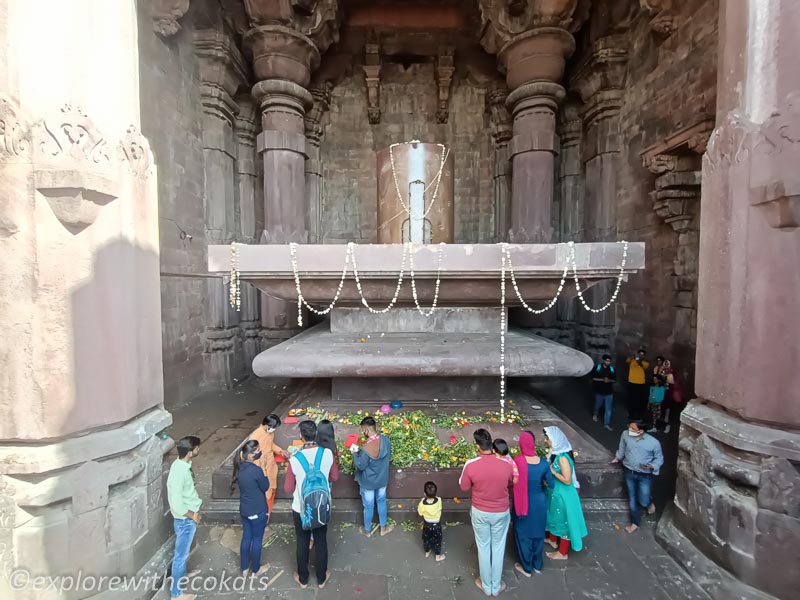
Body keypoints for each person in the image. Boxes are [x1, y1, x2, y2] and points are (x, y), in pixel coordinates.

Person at [459, 428, 514, 597]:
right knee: (498, 547)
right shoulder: (506, 463)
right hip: (501, 512)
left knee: (483, 547)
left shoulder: (471, 464)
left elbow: (464, 486)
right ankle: (496, 586)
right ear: (492, 444)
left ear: (477, 446)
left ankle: (485, 584)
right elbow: (511, 482)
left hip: (480, 511)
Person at [284, 420, 337, 589]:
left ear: (301, 436)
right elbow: (334, 477)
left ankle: (303, 579)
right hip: (322, 506)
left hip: (301, 508)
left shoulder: (294, 459)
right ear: (316, 434)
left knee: (302, 541)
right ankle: (321, 578)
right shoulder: (328, 453)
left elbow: (288, 488)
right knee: (321, 540)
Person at [543, 426, 587, 561]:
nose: (546, 441)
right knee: (554, 516)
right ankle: (552, 539)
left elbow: (567, 480)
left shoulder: (562, 458)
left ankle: (562, 553)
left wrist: (554, 472)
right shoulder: (556, 453)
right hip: (556, 492)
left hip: (564, 495)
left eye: (548, 439)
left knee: (563, 521)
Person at [512, 431, 553, 577]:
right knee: (538, 533)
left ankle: (526, 567)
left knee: (524, 535)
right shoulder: (543, 463)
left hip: (523, 503)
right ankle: (537, 564)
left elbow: (512, 480)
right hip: (539, 502)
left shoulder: (517, 461)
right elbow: (551, 484)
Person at [611, 420, 664, 533]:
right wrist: (618, 457)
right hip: (629, 471)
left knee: (643, 499)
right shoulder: (625, 434)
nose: (629, 430)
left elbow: (659, 458)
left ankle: (648, 503)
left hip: (644, 474)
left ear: (641, 431)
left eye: (633, 429)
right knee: (632, 498)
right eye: (629, 427)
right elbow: (622, 447)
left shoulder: (654, 443)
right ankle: (635, 522)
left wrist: (652, 466)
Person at [166, 436, 202, 600]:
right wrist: (193, 515)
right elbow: (177, 505)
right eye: (196, 448)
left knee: (183, 553)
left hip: (187, 517)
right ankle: (176, 594)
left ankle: (183, 575)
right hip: (185, 520)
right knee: (180, 556)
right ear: (190, 452)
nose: (198, 450)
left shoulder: (182, 464)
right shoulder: (179, 472)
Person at [230, 439, 270, 577]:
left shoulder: (239, 469)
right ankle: (256, 569)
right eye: (258, 450)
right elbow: (265, 487)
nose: (260, 452)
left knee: (247, 537)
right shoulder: (256, 471)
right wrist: (264, 469)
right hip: (258, 509)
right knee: (257, 539)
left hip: (245, 509)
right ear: (252, 455)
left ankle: (244, 568)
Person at [350, 416, 394, 537]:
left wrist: (355, 453)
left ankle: (367, 530)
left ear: (366, 430)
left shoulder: (366, 449)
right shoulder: (386, 440)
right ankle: (384, 527)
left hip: (368, 483)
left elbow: (361, 465)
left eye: (362, 430)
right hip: (382, 479)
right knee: (381, 501)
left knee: (368, 506)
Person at [248, 414, 288, 521]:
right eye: (273, 427)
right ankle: (263, 516)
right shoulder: (256, 435)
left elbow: (271, 445)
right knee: (265, 491)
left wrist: (281, 450)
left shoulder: (270, 433)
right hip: (260, 465)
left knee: (272, 488)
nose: (274, 430)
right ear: (267, 425)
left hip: (270, 464)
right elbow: (251, 454)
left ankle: (267, 513)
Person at [417, 481, 445, 562]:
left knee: (426, 539)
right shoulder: (439, 500)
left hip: (427, 524)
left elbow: (420, 513)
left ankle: (427, 551)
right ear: (436, 493)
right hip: (437, 525)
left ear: (424, 493)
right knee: (437, 540)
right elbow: (440, 508)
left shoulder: (422, 503)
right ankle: (437, 556)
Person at [591, 354, 617, 430]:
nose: (608, 362)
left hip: (609, 392)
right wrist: (602, 380)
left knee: (608, 409)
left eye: (609, 361)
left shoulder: (612, 369)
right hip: (599, 391)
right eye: (607, 361)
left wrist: (609, 380)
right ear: (603, 361)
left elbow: (615, 380)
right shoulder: (597, 368)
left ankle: (606, 424)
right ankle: (595, 414)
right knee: (597, 405)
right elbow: (592, 378)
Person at [626, 349, 650, 421]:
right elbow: (627, 360)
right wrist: (633, 356)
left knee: (638, 400)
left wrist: (637, 358)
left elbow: (640, 363)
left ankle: (638, 416)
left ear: (644, 356)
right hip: (631, 382)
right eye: (640, 354)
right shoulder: (632, 360)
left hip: (640, 384)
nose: (641, 355)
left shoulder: (646, 363)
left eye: (642, 354)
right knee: (631, 399)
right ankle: (631, 415)